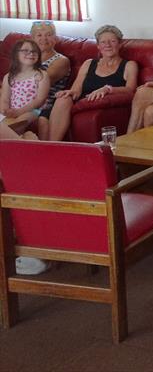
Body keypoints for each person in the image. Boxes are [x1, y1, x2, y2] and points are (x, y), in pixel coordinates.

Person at [0, 39, 49, 275]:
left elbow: (38, 101)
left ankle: (34, 244)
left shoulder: (40, 75)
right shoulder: (9, 78)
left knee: (21, 168)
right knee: (24, 166)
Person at [45, 25, 138, 141]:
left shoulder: (129, 65)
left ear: (120, 44)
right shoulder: (88, 63)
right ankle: (53, 146)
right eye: (103, 42)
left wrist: (108, 89)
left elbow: (131, 90)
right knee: (63, 99)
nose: (108, 45)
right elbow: (76, 91)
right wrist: (67, 92)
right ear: (98, 46)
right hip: (81, 104)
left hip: (100, 106)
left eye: (112, 41)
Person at [29, 20, 71, 139]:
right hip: (24, 99)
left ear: (55, 38)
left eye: (48, 35)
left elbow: (41, 83)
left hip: (47, 103)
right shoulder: (27, 57)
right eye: (39, 35)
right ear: (32, 39)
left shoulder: (61, 61)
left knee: (42, 119)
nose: (44, 39)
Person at [0, 39, 49, 138]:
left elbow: (40, 100)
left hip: (33, 111)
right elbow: (5, 98)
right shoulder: (9, 76)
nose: (31, 53)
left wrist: (18, 112)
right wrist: (4, 110)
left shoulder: (41, 75)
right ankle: (24, 137)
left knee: (21, 121)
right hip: (12, 110)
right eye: (25, 50)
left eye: (34, 51)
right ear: (16, 54)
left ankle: (23, 139)